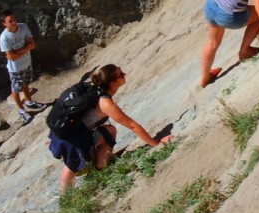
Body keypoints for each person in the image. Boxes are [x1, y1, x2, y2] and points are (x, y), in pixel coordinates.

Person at [48, 64, 173, 193]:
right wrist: (157, 144)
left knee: (110, 130)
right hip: (72, 137)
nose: (124, 74)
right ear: (113, 83)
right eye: (121, 74)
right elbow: (132, 126)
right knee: (71, 165)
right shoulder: (105, 103)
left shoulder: (93, 89)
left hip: (67, 130)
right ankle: (66, 198)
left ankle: (100, 168)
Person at [0, 10, 47, 124]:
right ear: (4, 23)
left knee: (26, 83)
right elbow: (12, 57)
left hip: (27, 62)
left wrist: (17, 51)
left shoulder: (23, 27)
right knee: (16, 89)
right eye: (10, 21)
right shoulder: (4, 38)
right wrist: (25, 49)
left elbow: (32, 44)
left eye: (14, 19)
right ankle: (21, 109)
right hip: (15, 68)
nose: (14, 22)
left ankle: (29, 101)